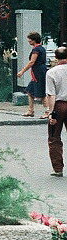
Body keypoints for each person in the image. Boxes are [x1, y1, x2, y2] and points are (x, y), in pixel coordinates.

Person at [44, 46, 67, 177]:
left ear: (56, 57)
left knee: (54, 137)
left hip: (59, 106)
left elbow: (51, 95)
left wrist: (51, 112)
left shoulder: (52, 72)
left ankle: (58, 168)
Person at [18, 32, 48, 118]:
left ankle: (48, 111)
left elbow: (32, 62)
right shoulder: (41, 48)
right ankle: (31, 110)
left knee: (42, 93)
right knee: (30, 91)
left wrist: (22, 71)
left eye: (30, 39)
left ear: (34, 40)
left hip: (38, 72)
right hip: (39, 71)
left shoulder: (36, 50)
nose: (28, 41)